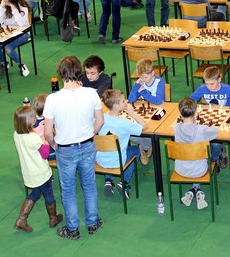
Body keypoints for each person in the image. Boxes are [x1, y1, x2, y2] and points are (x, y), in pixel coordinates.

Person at [43, 56, 104, 240]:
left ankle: (73, 229)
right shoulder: (91, 93)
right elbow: (100, 121)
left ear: (61, 74)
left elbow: (47, 132)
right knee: (89, 186)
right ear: (79, 72)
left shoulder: (53, 99)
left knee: (68, 190)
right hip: (87, 145)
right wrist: (90, 135)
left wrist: (54, 144)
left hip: (65, 149)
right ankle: (92, 223)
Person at [13, 105, 63, 232]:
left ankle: (22, 219)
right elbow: (45, 154)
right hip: (41, 173)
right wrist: (45, 139)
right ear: (29, 121)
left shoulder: (16, 134)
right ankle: (53, 218)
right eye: (33, 117)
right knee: (48, 194)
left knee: (35, 193)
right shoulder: (33, 137)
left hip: (29, 173)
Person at [173, 97, 222, 209]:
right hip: (199, 171)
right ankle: (196, 188)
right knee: (216, 145)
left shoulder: (176, 128)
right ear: (195, 113)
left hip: (180, 169)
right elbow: (215, 132)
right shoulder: (202, 129)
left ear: (180, 113)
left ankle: (194, 189)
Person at [97, 89, 146, 199]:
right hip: (117, 160)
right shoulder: (124, 123)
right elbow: (144, 126)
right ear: (116, 106)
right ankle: (124, 182)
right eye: (123, 101)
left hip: (100, 159)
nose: (126, 102)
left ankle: (108, 181)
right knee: (136, 150)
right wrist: (131, 113)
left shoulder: (100, 119)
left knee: (109, 148)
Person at [0, 0, 32, 77]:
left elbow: (21, 24)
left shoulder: (23, 7)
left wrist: (14, 9)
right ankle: (4, 63)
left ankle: (21, 65)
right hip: (8, 33)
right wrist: (1, 8)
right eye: (4, 1)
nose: (5, 3)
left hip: (23, 33)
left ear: (13, 1)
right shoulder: (4, 7)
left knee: (7, 47)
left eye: (7, 2)